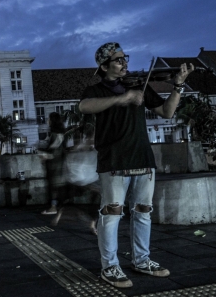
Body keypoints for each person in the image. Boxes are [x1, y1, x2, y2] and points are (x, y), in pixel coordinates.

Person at [79, 42, 194, 288]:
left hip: (143, 158)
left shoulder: (139, 85)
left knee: (143, 213)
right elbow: (84, 106)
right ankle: (109, 266)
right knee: (111, 214)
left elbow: (167, 112)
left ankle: (142, 260)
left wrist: (178, 85)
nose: (125, 63)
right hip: (114, 161)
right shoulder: (97, 90)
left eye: (125, 58)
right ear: (103, 65)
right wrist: (122, 98)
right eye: (118, 60)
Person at [40, 112, 68, 215]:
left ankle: (53, 207)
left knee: (54, 187)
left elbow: (54, 151)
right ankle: (57, 207)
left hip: (56, 166)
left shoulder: (57, 135)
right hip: (57, 165)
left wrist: (44, 155)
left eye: (49, 119)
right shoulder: (59, 134)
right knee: (56, 187)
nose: (47, 121)